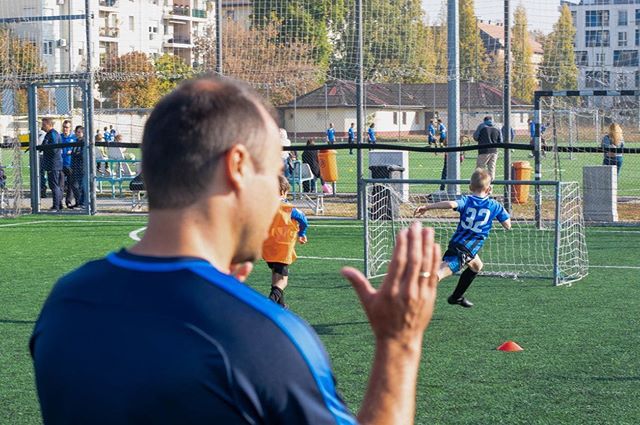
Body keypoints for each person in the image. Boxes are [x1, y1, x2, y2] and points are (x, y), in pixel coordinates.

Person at [30, 75, 443, 424]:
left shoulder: (65, 302)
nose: (277, 192)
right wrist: (399, 343)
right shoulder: (262, 337)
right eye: (274, 171)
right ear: (238, 167)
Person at [415, 168, 511, 307]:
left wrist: (427, 207)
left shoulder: (466, 200)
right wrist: (501, 213)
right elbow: (507, 225)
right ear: (489, 189)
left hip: (458, 242)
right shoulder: (495, 205)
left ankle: (456, 297)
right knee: (439, 274)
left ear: (470, 187)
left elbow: (450, 204)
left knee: (477, 266)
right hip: (467, 248)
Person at [262, 175, 308, 308]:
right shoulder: (289, 208)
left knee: (275, 273)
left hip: (268, 247)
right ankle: (270, 302)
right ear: (283, 192)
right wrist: (302, 233)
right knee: (283, 280)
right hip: (283, 248)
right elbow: (304, 220)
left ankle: (280, 305)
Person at [40, 118, 63, 211]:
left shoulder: (53, 134)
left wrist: (44, 147)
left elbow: (53, 149)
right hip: (52, 163)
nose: (42, 127)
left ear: (49, 125)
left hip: (54, 164)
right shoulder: (49, 134)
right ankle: (58, 205)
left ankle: (56, 206)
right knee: (54, 185)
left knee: (54, 185)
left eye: (43, 125)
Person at [473, 116, 502, 181]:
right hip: (494, 151)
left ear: (484, 120)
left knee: (480, 169)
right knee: (491, 170)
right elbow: (500, 140)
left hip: (483, 150)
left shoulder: (481, 126)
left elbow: (475, 137)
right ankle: (490, 189)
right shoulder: (497, 127)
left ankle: (479, 187)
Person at [60, 120, 77, 208]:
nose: (65, 129)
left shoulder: (74, 138)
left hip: (70, 164)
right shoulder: (59, 137)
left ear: (70, 128)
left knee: (71, 184)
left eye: (67, 127)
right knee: (60, 184)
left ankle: (68, 201)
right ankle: (59, 202)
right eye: (64, 127)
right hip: (61, 164)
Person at [69, 125, 85, 208]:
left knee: (81, 185)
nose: (77, 134)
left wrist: (75, 154)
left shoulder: (84, 142)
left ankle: (82, 203)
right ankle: (78, 202)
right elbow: (74, 154)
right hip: (74, 166)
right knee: (74, 185)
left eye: (79, 132)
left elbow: (82, 154)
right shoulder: (76, 142)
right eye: (76, 132)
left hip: (81, 167)